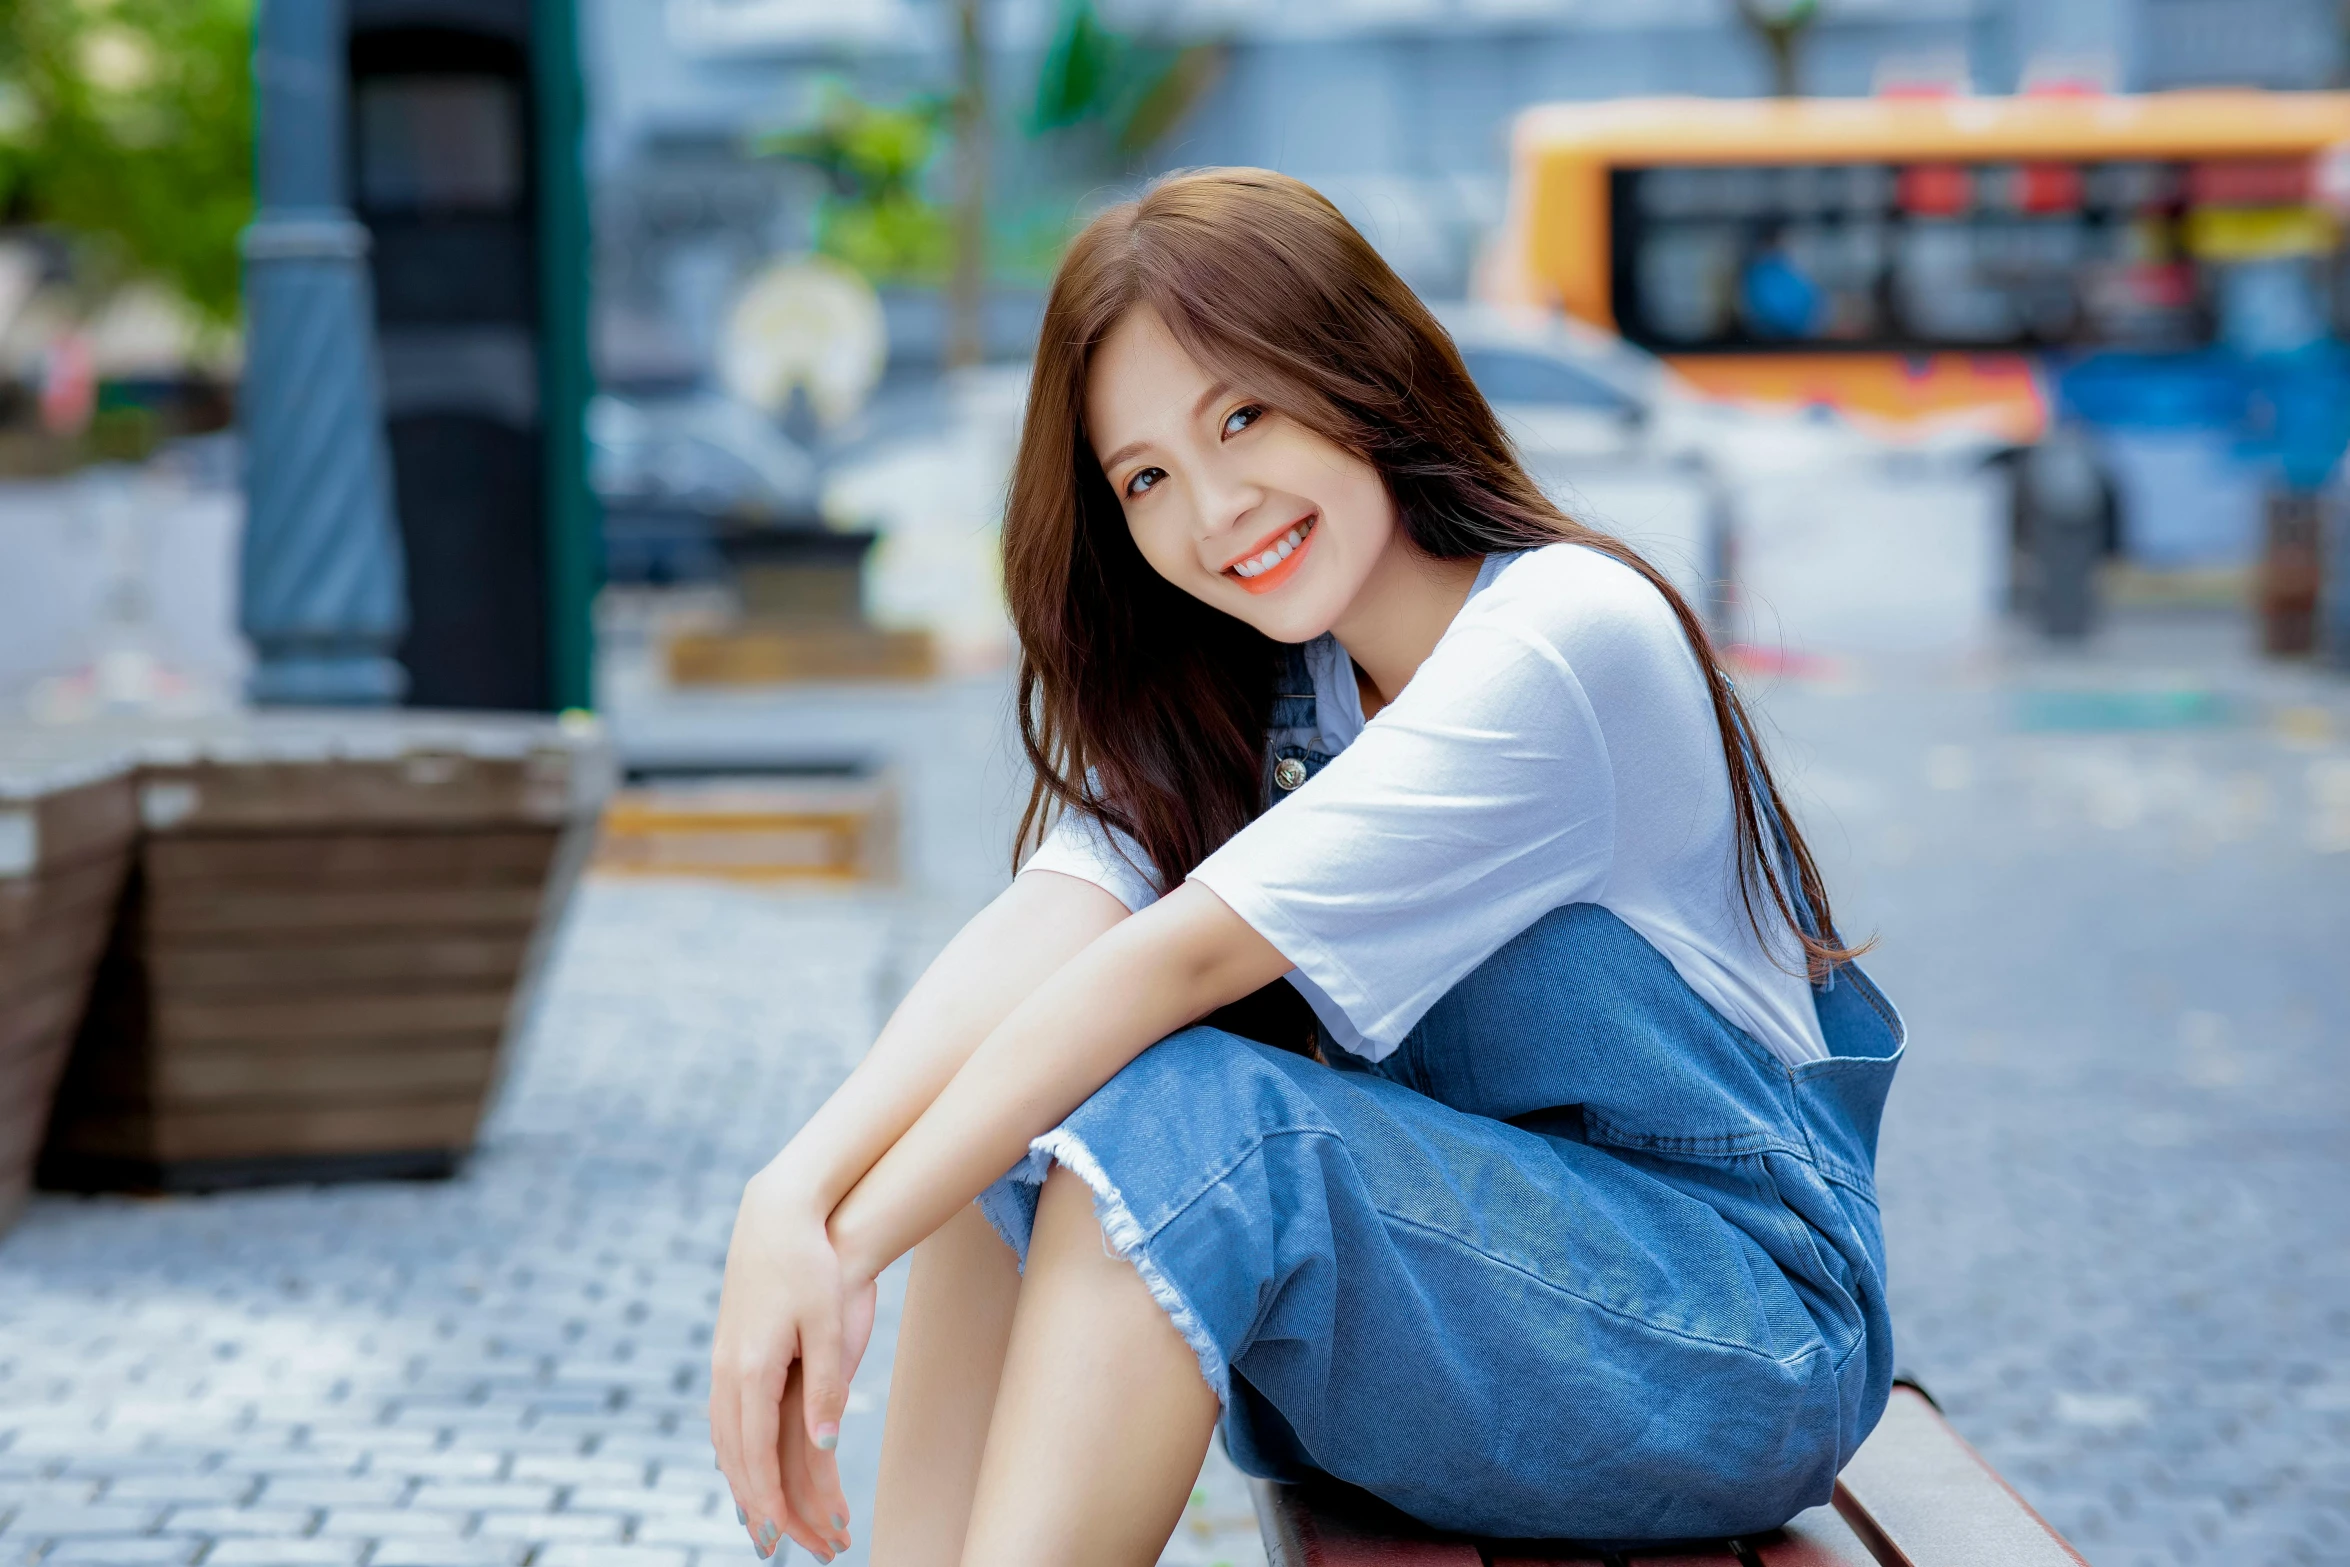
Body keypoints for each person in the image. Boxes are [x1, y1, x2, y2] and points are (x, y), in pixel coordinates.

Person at [706, 168, 1904, 1567]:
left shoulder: (1567, 638)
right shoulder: (1284, 699)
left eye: (1244, 414)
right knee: (1021, 1110)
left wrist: (839, 1260)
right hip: (1478, 1316)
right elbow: (1048, 928)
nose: (1214, 510)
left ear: (1362, 368)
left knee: (1198, 1120)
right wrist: (787, 1197)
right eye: (1146, 477)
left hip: (1734, 1346)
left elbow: (1176, 961)